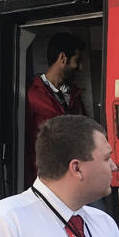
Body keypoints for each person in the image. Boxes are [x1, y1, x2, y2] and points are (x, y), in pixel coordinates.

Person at [24, 32, 87, 186]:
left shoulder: (74, 95)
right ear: (62, 59)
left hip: (74, 175)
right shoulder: (32, 95)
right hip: (46, 178)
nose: (80, 68)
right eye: (77, 61)